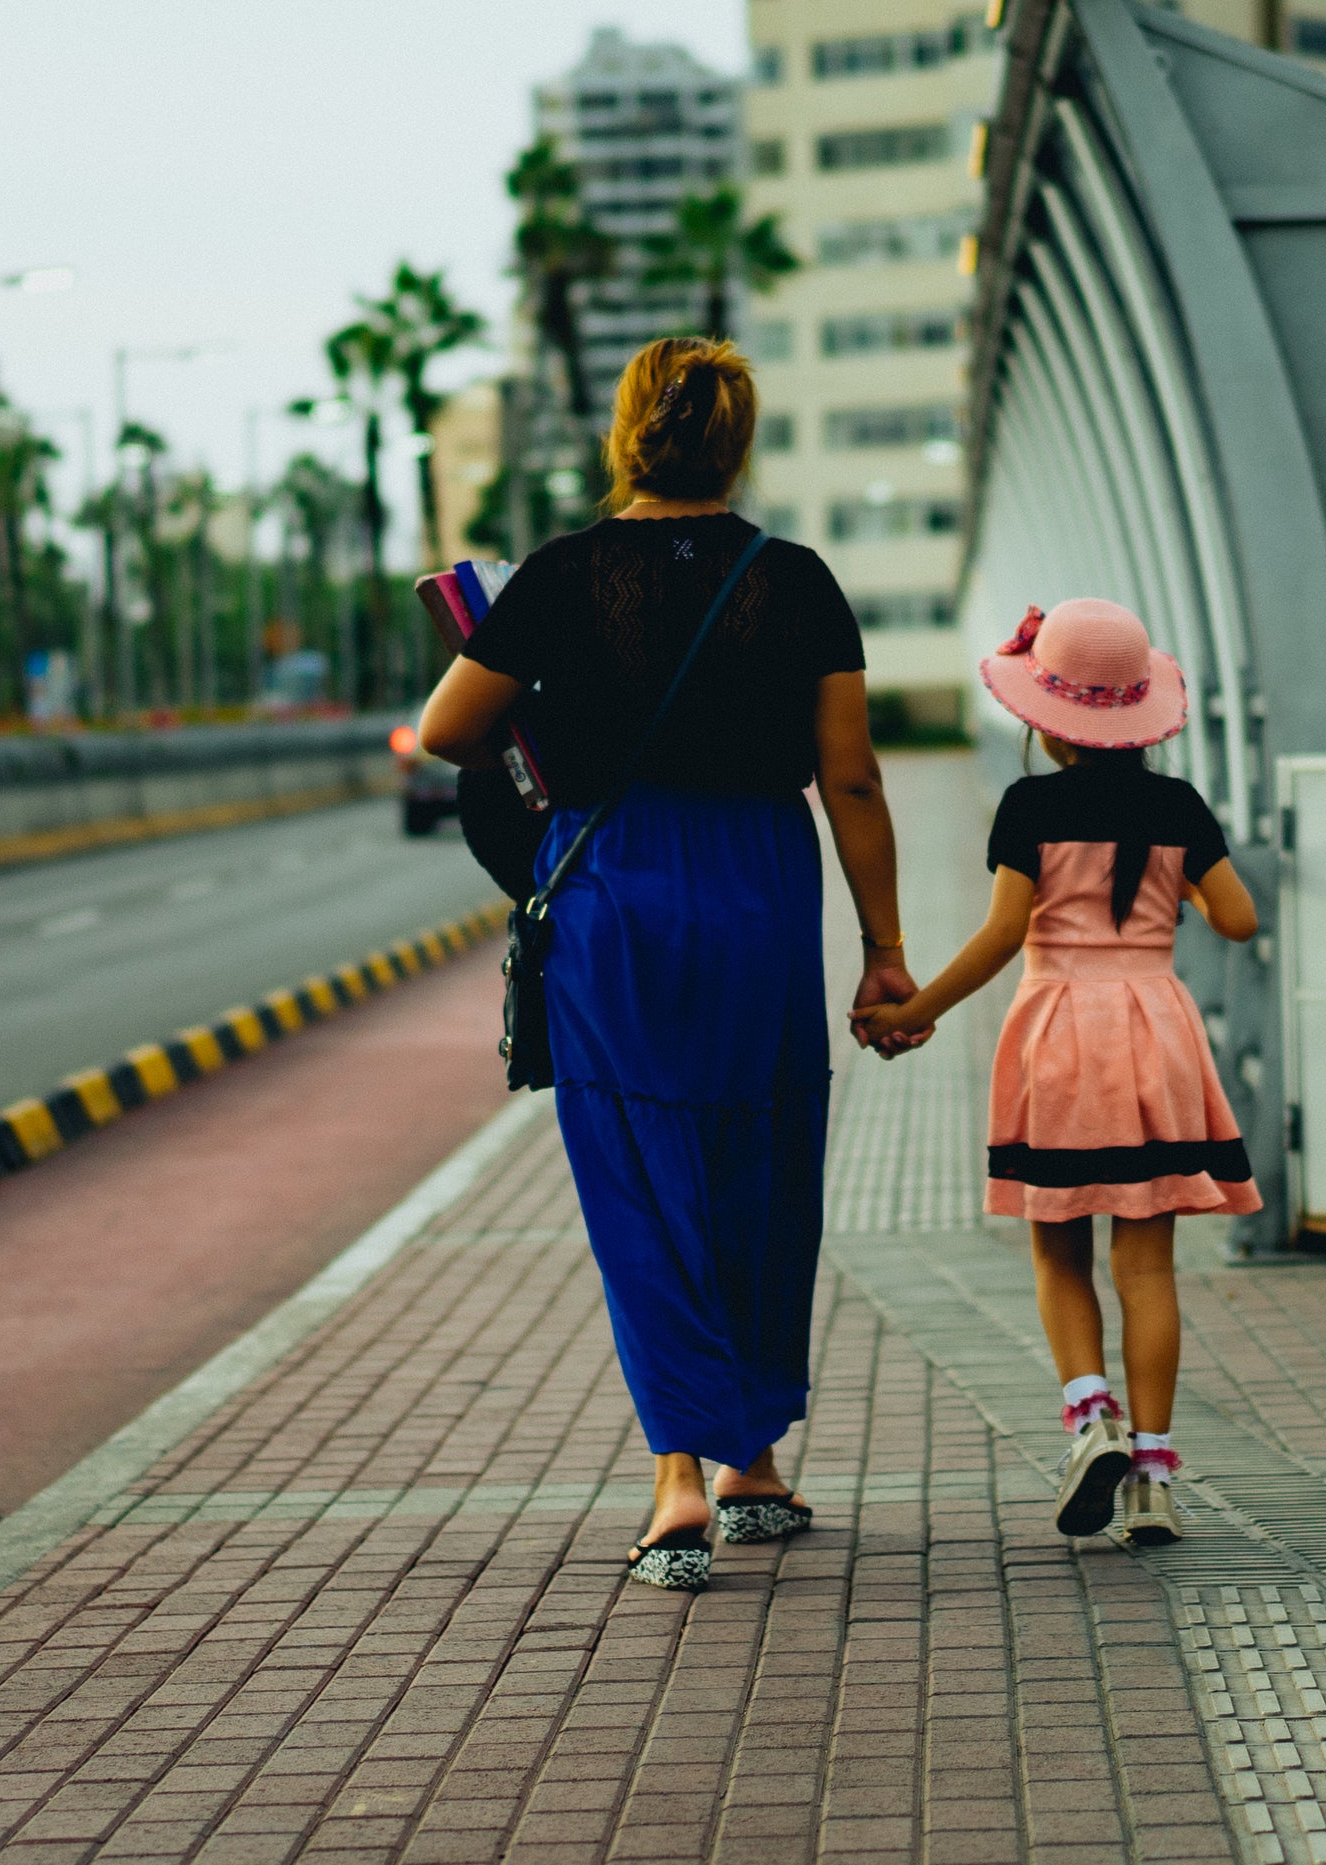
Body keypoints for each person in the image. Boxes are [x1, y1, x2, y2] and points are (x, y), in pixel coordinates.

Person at [414, 337, 919, 1592]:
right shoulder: (794, 579)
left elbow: (445, 733)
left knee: (641, 1176)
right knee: (757, 1157)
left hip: (616, 893)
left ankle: (679, 1482)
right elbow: (848, 774)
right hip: (758, 886)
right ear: (735, 442)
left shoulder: (561, 573)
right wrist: (885, 953)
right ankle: (751, 1459)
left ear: (625, 436)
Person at [853, 598, 1259, 1548]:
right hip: (1155, 1027)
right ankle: (1155, 1476)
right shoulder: (1179, 806)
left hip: (1062, 1035)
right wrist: (1179, 891)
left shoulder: (1030, 806)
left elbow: (1004, 933)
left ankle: (1092, 1421)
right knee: (1148, 1263)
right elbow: (1238, 919)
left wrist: (915, 1011)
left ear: (1046, 718)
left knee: (1056, 1243)